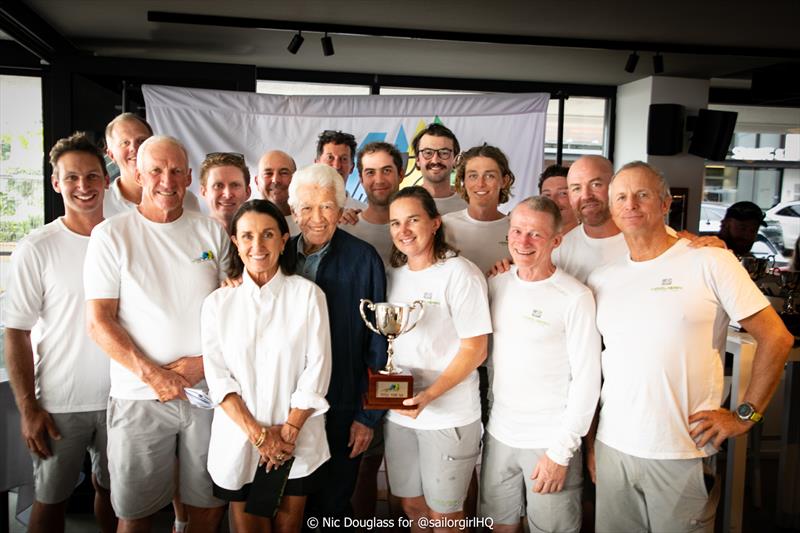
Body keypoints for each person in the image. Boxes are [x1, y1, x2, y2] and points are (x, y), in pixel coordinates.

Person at [588, 161, 793, 532]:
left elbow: (777, 337)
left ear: (665, 203)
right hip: (613, 447)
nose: (630, 204)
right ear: (612, 209)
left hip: (683, 451)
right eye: (621, 197)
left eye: (642, 194)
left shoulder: (710, 260)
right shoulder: (602, 278)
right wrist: (592, 445)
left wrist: (745, 415)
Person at [85, 135, 228, 532]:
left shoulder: (211, 233)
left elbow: (232, 313)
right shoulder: (111, 235)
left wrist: (205, 364)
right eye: (156, 171)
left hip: (207, 393)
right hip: (139, 396)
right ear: (138, 174)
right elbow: (99, 322)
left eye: (176, 171)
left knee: (208, 504)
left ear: (189, 177)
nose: (167, 180)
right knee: (136, 513)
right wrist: (155, 376)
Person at [4, 132, 115, 533]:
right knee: (52, 499)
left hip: (121, 397)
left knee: (114, 494)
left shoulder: (123, 238)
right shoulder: (37, 247)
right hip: (60, 401)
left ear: (106, 180)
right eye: (71, 177)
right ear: (56, 183)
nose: (83, 186)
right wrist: (28, 408)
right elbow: (16, 332)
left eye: (92, 176)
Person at [202, 199, 332, 532]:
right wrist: (260, 437)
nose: (257, 245)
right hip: (240, 439)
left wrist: (286, 433)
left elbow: (317, 370)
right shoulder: (217, 304)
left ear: (284, 239)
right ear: (235, 241)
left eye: (268, 234)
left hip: (295, 441)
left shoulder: (308, 296)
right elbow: (218, 379)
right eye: (247, 236)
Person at [481, 196, 600, 533]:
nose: (523, 241)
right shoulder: (495, 285)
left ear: (556, 241)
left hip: (550, 440)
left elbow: (587, 380)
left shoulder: (575, 297)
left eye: (536, 234)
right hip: (500, 435)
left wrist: (561, 452)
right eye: (517, 231)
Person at [285, 164, 387, 527]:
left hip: (342, 408)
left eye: (327, 207)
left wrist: (367, 417)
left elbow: (380, 344)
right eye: (307, 208)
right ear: (293, 211)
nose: (317, 218)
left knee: (332, 508)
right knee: (286, 507)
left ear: (341, 209)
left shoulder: (364, 259)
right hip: (284, 406)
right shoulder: (277, 255)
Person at [384, 186, 491, 533]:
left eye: (413, 220)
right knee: (412, 505)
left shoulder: (460, 273)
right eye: (395, 223)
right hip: (401, 414)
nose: (403, 230)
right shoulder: (394, 276)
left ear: (434, 223)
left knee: (445, 517)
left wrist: (429, 395)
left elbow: (476, 349)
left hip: (448, 416)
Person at [103, 113, 200, 217]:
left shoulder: (187, 200)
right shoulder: (101, 204)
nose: (134, 148)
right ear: (111, 155)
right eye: (125, 143)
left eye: (141, 141)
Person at [444, 144, 515, 275]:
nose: (480, 183)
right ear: (463, 181)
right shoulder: (445, 225)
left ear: (504, 181)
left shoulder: (516, 229)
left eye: (489, 176)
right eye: (473, 176)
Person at [340, 141, 403, 264]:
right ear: (361, 179)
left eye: (386, 170)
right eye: (370, 172)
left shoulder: (417, 230)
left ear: (401, 174)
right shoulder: (343, 230)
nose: (379, 180)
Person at [411, 123, 467, 215]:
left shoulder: (470, 203)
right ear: (417, 160)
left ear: (455, 159)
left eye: (444, 153)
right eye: (428, 153)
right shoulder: (403, 202)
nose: (435, 160)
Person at [198, 152, 251, 230]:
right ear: (204, 192)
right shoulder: (190, 235)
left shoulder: (263, 235)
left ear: (247, 192)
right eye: (218, 186)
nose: (227, 194)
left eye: (235, 185)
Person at [314, 129, 366, 210]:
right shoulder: (298, 212)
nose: (336, 166)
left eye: (344, 159)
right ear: (317, 164)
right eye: (330, 157)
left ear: (352, 167)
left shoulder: (365, 212)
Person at [256, 149, 299, 236]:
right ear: (257, 182)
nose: (276, 180)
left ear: (296, 179)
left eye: (284, 173)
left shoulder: (312, 222)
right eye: (268, 173)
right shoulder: (244, 222)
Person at [538, 164, 579, 234]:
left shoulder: (594, 238)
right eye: (547, 195)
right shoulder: (530, 239)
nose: (553, 200)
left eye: (562, 193)